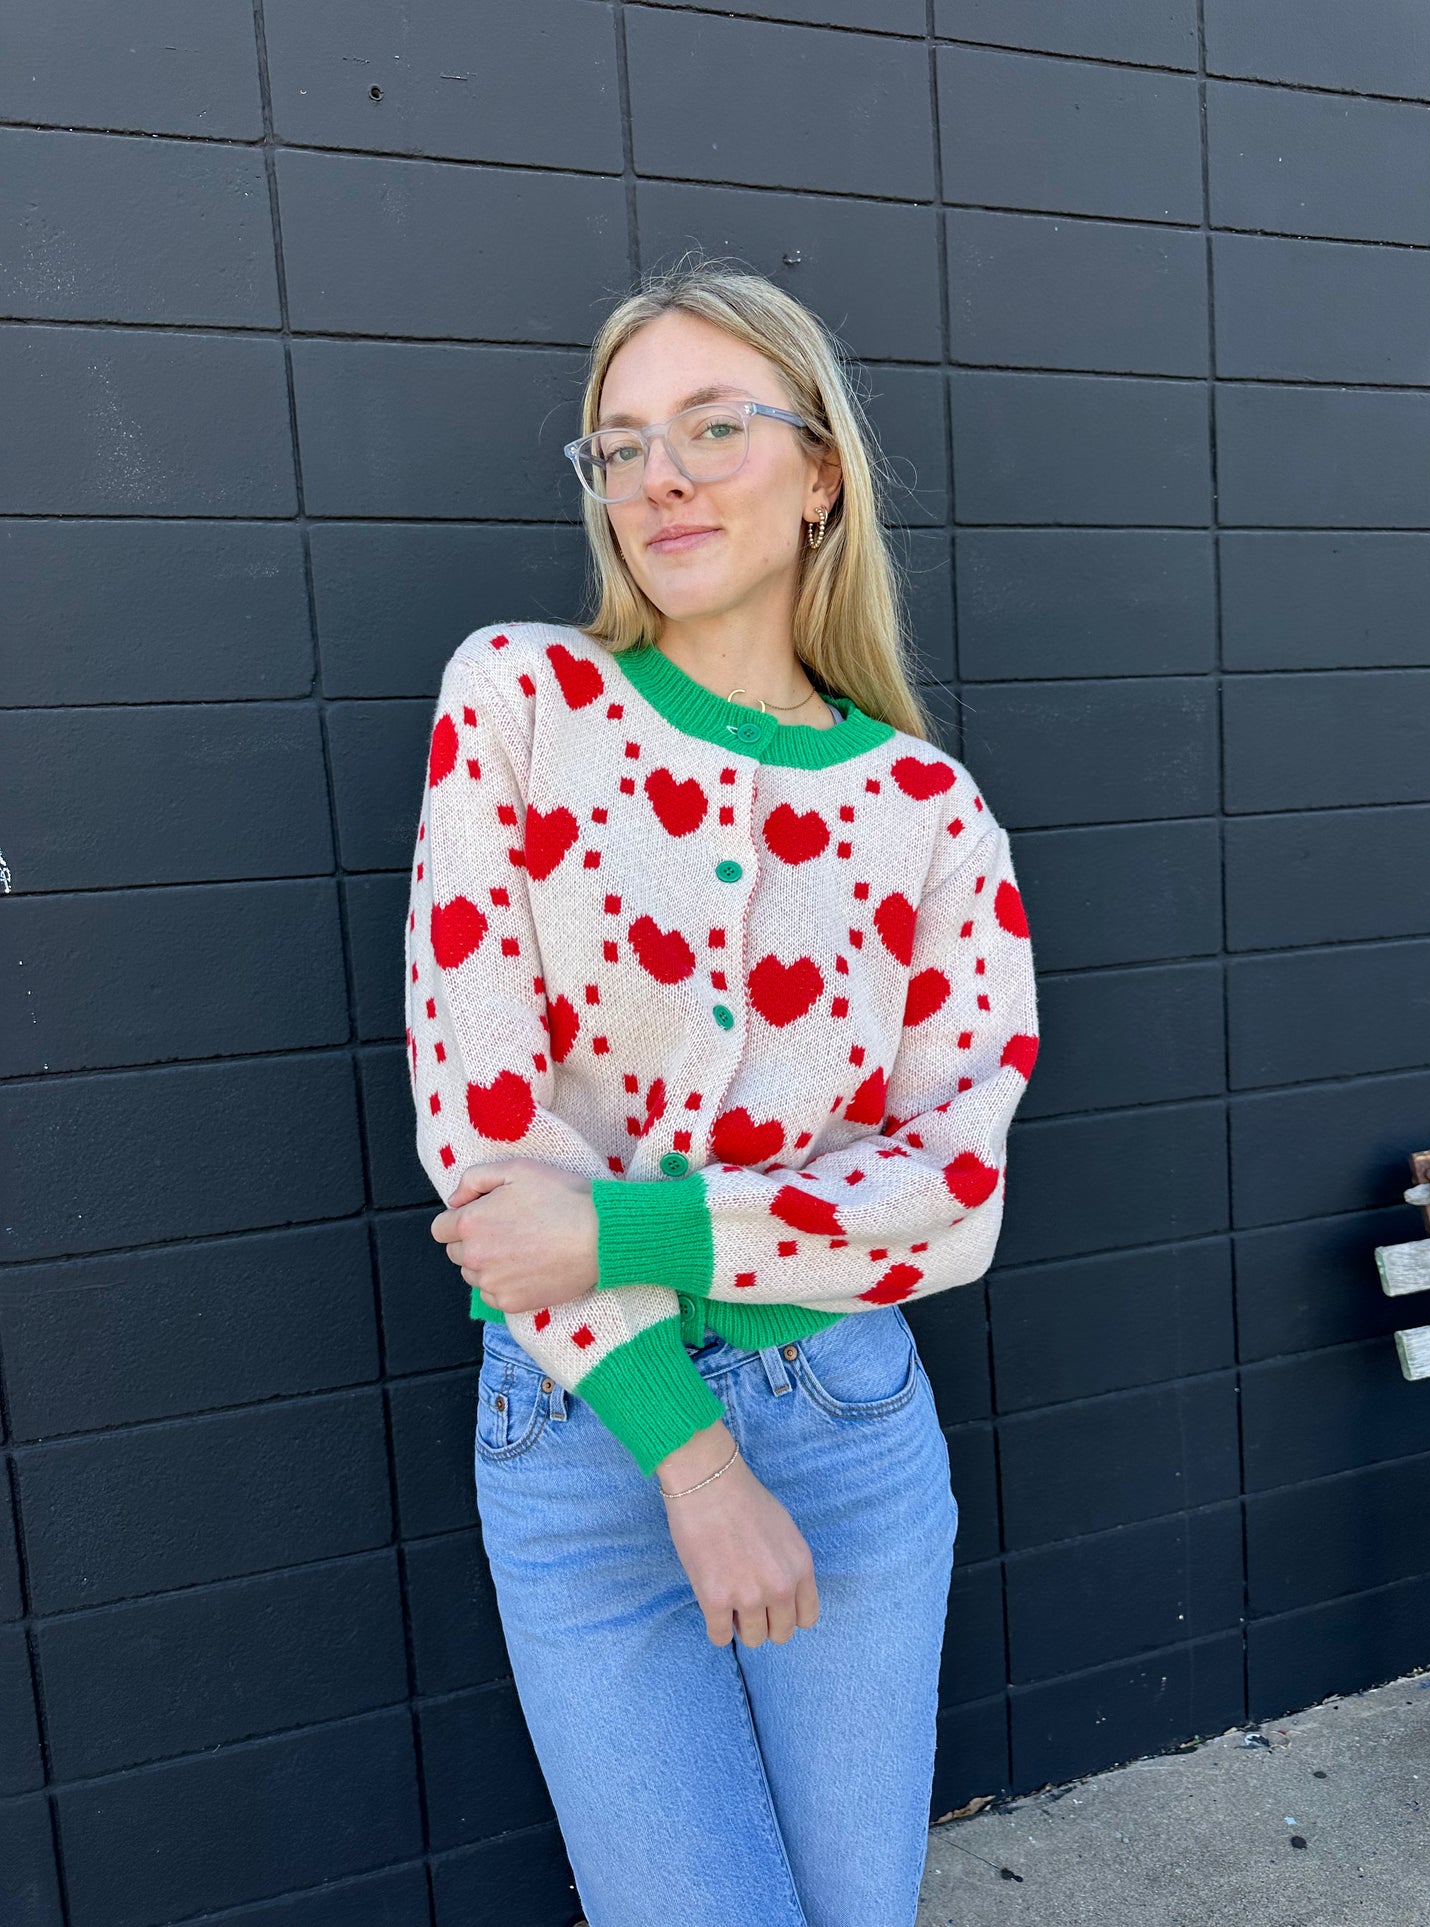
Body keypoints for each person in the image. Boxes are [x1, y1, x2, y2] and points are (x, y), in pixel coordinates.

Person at [405, 259, 1040, 1927]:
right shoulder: (522, 702)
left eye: (712, 426)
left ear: (820, 471)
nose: (658, 477)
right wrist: (692, 1464)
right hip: (580, 1432)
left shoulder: (927, 810)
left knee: (854, 1909)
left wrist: (620, 1218)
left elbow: (951, 1190)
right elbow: (482, 1136)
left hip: (841, 1421)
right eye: (617, 448)